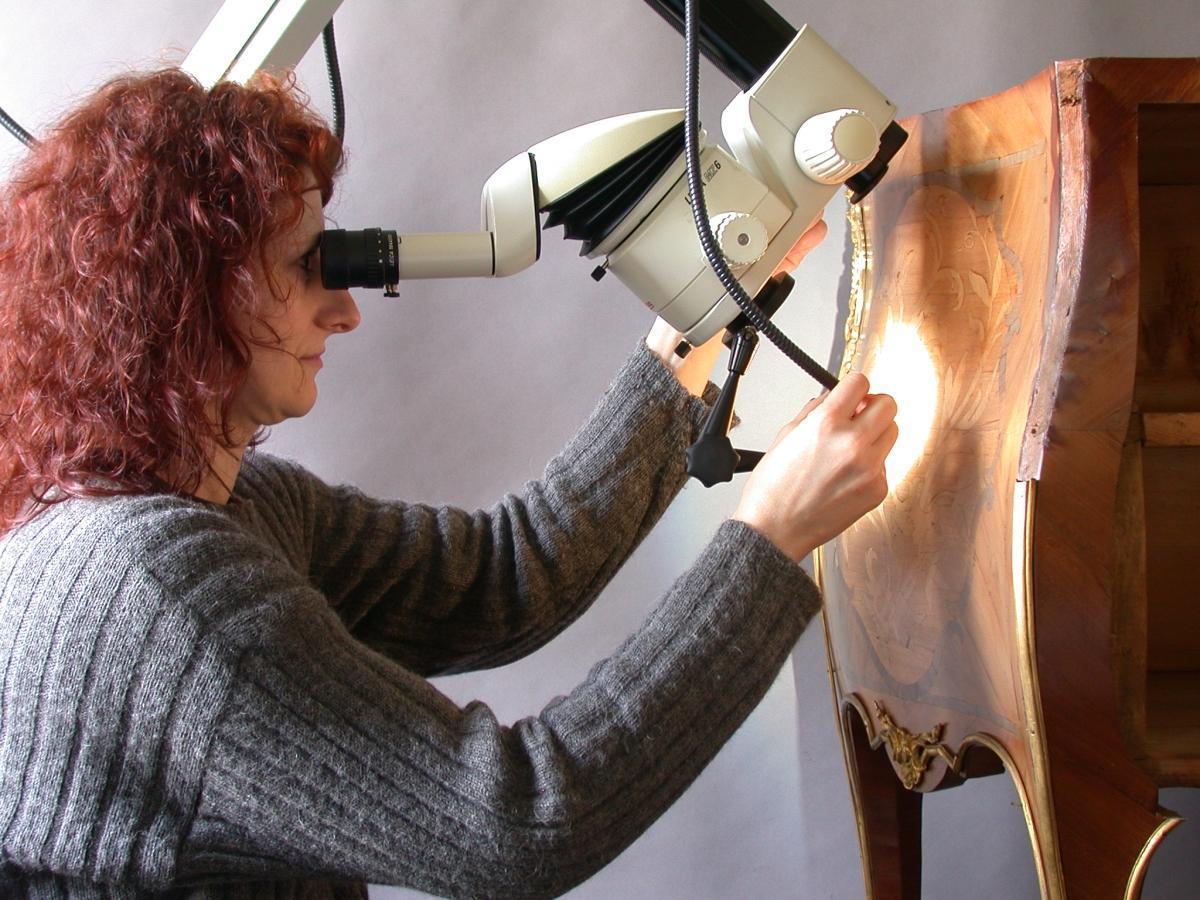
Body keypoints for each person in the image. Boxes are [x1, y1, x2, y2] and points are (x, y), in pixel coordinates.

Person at [0, 69, 897, 898]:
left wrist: (684, 344)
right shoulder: (163, 597)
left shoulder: (213, 510)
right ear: (182, 291)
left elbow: (506, 575)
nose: (346, 308)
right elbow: (518, 821)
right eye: (305, 263)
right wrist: (768, 539)